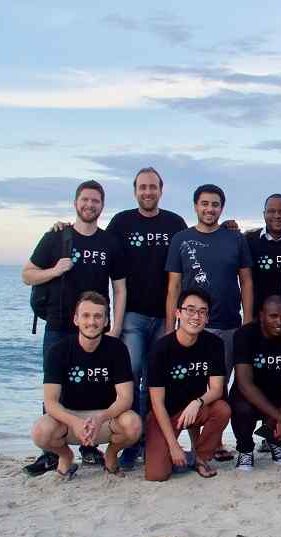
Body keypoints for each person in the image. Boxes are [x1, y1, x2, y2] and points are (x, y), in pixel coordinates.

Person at [22, 180, 127, 473]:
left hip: (96, 327)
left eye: (95, 201)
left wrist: (116, 328)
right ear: (75, 203)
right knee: (55, 388)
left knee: (97, 386)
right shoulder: (56, 237)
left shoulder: (109, 242)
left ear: (102, 206)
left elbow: (119, 288)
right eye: (85, 200)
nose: (90, 205)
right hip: (59, 325)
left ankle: (90, 448)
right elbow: (27, 274)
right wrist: (54, 270)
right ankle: (51, 453)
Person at [106, 167, 187, 470]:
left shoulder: (174, 223)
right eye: (142, 187)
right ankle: (131, 443)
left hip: (165, 316)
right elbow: (98, 244)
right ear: (135, 191)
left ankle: (154, 440)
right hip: (133, 316)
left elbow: (191, 252)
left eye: (153, 187)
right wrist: (63, 227)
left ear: (161, 190)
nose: (148, 192)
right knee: (131, 376)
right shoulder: (121, 222)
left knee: (156, 381)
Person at [31, 292, 140, 479]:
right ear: (76, 319)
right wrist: (74, 422)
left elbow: (125, 398)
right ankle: (66, 456)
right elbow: (50, 402)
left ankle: (111, 455)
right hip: (69, 420)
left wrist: (99, 419)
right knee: (40, 432)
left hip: (105, 419)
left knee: (134, 425)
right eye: (86, 315)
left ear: (106, 321)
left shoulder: (117, 348)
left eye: (98, 316)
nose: (92, 322)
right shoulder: (58, 351)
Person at [165, 184, 254, 384]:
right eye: (204, 204)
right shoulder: (181, 239)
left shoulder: (236, 239)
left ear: (221, 208)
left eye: (215, 205)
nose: (209, 209)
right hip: (190, 326)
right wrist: (170, 328)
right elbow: (174, 287)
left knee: (219, 386)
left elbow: (246, 282)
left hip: (228, 325)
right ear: (195, 206)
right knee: (187, 385)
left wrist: (247, 322)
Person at [145, 288, 231, 481]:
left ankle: (200, 457)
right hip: (165, 413)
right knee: (157, 474)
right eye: (190, 310)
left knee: (222, 409)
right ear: (178, 313)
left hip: (195, 410)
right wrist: (173, 446)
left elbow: (217, 389)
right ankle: (172, 450)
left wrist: (197, 402)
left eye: (202, 312)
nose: (196, 316)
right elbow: (157, 403)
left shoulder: (214, 344)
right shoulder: (161, 349)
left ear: (207, 318)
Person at [231, 296, 281, 471]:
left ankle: (275, 441)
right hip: (248, 396)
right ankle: (245, 449)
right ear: (262, 315)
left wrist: (280, 414)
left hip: (277, 395)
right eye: (273, 316)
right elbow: (245, 384)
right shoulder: (245, 335)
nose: (279, 322)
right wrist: (278, 417)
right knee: (242, 409)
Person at [246, 194, 281, 313]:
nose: (277, 216)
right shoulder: (249, 240)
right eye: (271, 211)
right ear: (264, 214)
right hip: (259, 316)